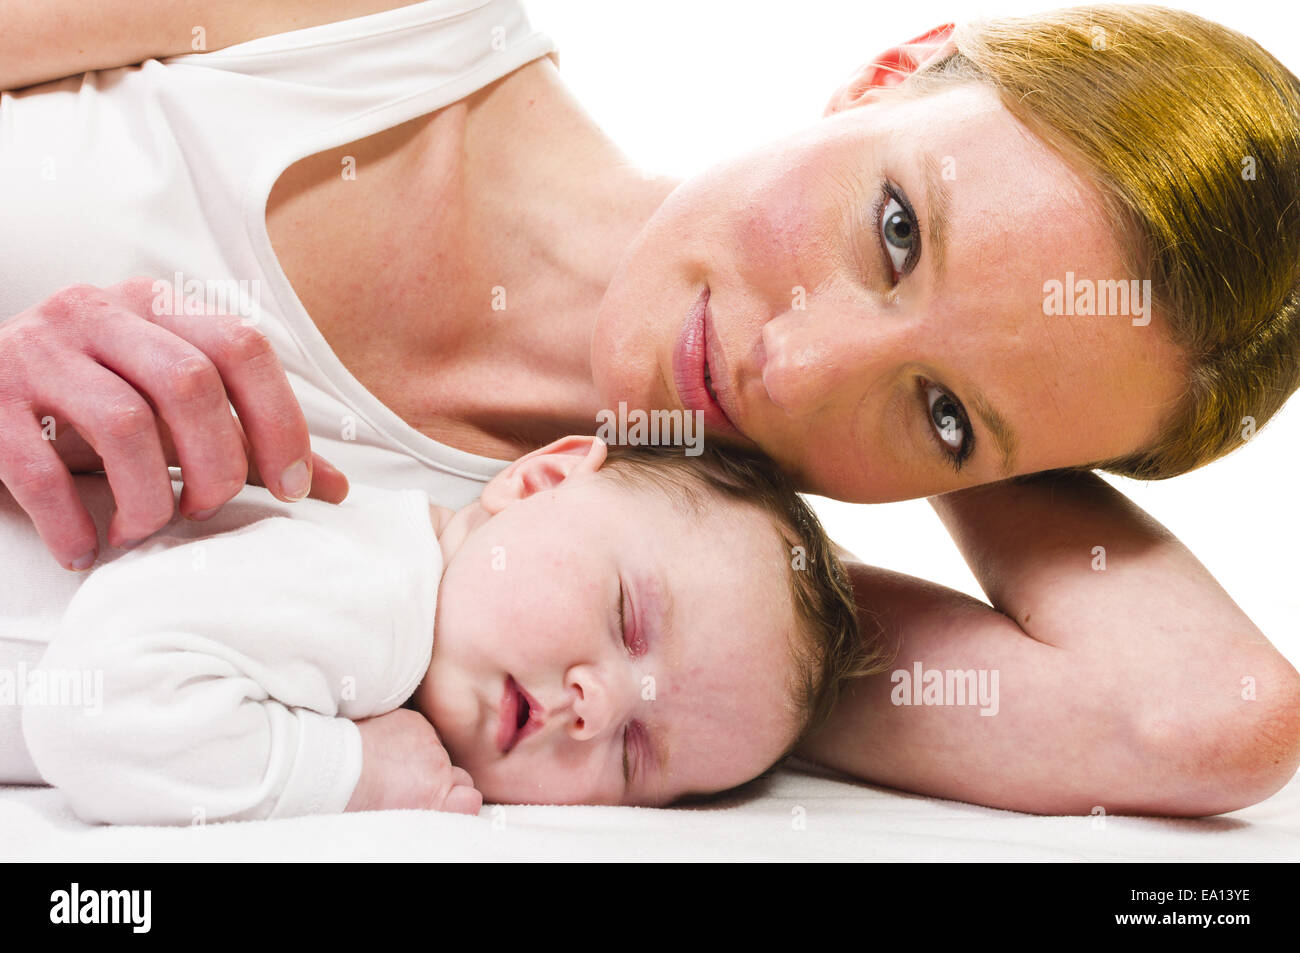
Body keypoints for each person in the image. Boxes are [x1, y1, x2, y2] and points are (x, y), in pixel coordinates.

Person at [1, 1, 1297, 814]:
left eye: (945, 419)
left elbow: (1202, 723)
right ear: (890, 67)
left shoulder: (680, 628)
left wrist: (1021, 354)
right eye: (897, 229)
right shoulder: (366, 28)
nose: (793, 369)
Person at [7, 437, 875, 824]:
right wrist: (353, 773)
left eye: (637, 754)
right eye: (628, 617)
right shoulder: (375, 594)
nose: (599, 705)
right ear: (539, 481)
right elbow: (87, 714)